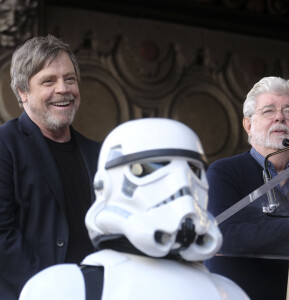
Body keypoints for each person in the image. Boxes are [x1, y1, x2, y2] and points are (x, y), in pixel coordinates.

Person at [18, 118, 249, 300]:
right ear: (105, 184)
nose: (183, 187)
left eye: (193, 171)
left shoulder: (228, 293)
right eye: (149, 169)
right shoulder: (65, 289)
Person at [0, 34, 100, 299]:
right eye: (48, 81)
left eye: (70, 79)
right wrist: (51, 290)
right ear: (22, 92)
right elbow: (1, 236)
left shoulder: (99, 154)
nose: (63, 89)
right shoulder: (4, 145)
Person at [204, 76, 289, 300]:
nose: (280, 117)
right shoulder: (223, 172)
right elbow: (220, 234)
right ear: (248, 124)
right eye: (268, 111)